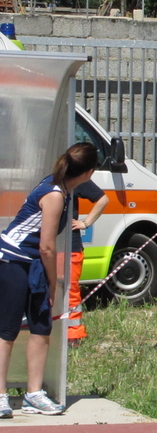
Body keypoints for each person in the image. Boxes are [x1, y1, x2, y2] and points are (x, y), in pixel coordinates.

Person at [0, 142, 98, 418]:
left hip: (32, 262)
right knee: (7, 330)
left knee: (41, 327)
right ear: (88, 172)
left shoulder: (66, 190)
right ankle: (0, 395)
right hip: (13, 261)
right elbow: (46, 246)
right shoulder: (54, 194)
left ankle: (34, 394)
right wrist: (53, 281)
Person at [67, 180, 109, 347]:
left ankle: (73, 335)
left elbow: (103, 199)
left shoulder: (73, 175)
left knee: (70, 291)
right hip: (44, 244)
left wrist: (84, 223)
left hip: (69, 245)